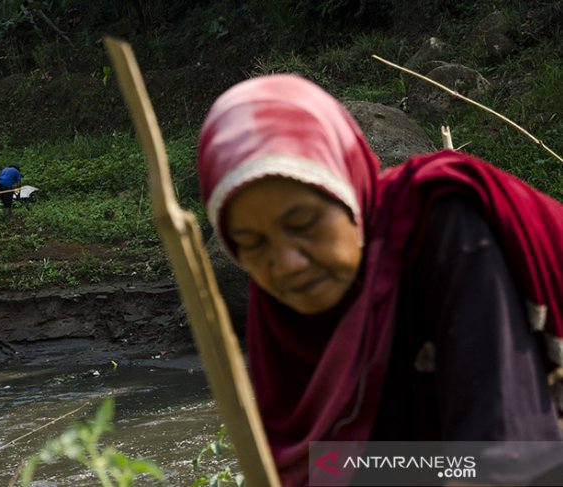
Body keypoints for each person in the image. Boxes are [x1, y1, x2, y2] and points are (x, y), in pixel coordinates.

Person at [197, 74, 563, 486]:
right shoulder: (277, 301)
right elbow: (307, 466)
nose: (287, 264)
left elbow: (499, 462)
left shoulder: (445, 231)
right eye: (251, 243)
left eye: (303, 223)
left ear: (348, 195)